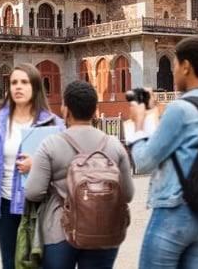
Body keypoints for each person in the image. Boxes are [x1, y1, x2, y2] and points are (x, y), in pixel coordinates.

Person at [127, 35, 198, 268]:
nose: (175, 72)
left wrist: (138, 124)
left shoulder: (180, 109)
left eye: (176, 65)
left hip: (175, 211)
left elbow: (144, 161)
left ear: (186, 66)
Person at [0, 63, 64, 269]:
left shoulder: (54, 124)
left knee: (42, 262)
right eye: (14, 82)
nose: (18, 87)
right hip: (5, 206)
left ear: (35, 87)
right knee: (10, 263)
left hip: (41, 205)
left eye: (24, 82)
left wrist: (38, 164)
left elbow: (67, 164)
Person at [25, 79, 135, 268]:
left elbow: (33, 192)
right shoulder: (113, 145)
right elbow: (128, 194)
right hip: (105, 229)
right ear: (95, 111)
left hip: (60, 230)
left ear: (65, 110)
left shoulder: (51, 144)